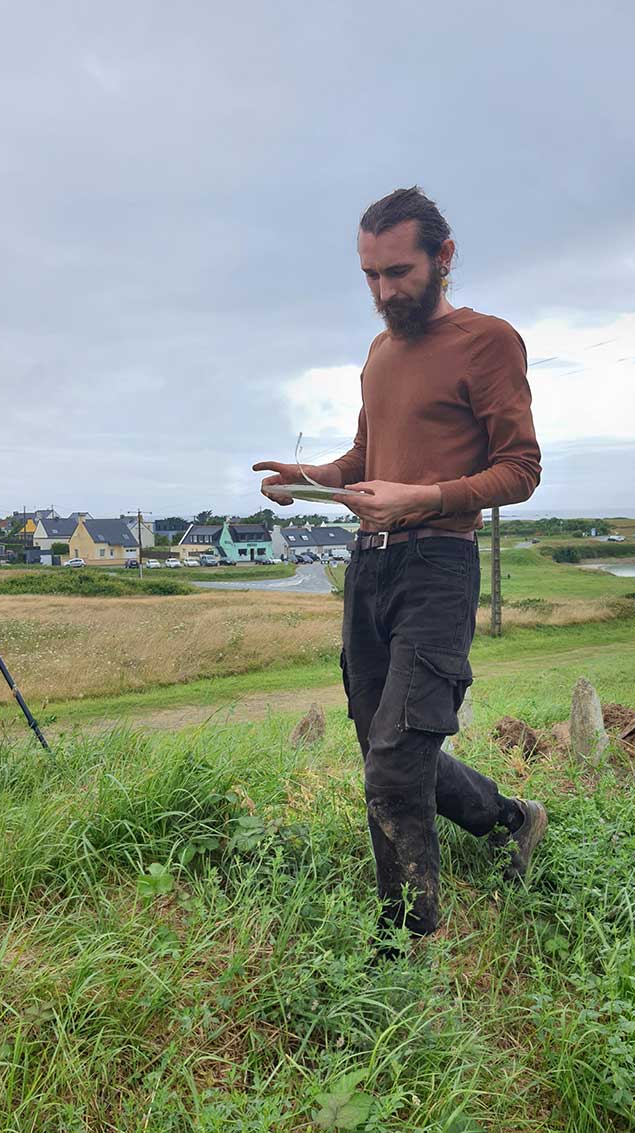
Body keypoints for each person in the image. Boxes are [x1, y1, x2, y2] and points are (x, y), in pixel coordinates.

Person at [253, 186, 546, 943]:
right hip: (368, 571)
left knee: (392, 764)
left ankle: (405, 946)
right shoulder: (380, 353)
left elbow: (521, 468)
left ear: (443, 258)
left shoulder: (489, 342)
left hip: (438, 568)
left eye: (398, 272)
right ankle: (514, 818)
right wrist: (310, 476)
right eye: (370, 275)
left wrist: (420, 499)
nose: (383, 292)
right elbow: (364, 459)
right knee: (386, 744)